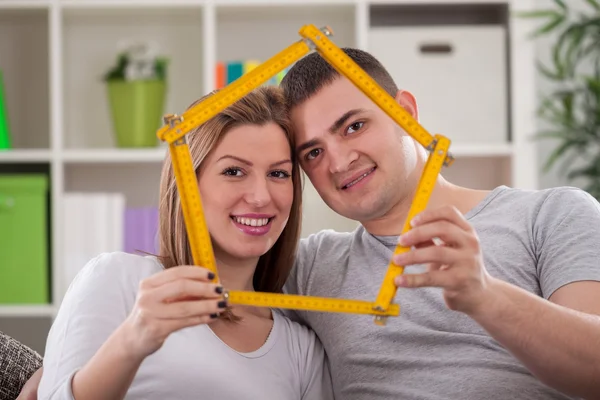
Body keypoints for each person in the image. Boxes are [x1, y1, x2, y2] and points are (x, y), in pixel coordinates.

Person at [278, 47, 600, 400]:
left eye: (354, 126)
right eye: (313, 152)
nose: (338, 163)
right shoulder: (310, 267)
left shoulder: (553, 215)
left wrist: (485, 296)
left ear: (405, 113)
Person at [37, 86, 334, 400]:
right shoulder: (118, 279)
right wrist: (133, 339)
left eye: (278, 173)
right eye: (234, 171)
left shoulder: (301, 349)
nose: (261, 197)